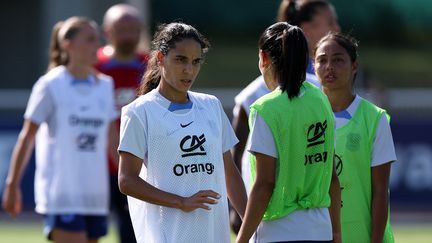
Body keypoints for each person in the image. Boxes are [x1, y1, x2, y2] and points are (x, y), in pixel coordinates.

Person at [117, 22, 247, 243]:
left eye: (196, 62)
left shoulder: (211, 106)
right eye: (180, 60)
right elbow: (127, 180)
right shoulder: (139, 112)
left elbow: (229, 172)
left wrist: (251, 224)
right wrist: (181, 202)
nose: (189, 70)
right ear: (160, 58)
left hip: (214, 235)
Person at [1, 16, 118, 243]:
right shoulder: (50, 85)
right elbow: (27, 137)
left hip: (95, 195)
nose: (98, 45)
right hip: (63, 194)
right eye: (90, 39)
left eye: (98, 39)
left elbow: (113, 142)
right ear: (68, 45)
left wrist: (133, 181)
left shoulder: (105, 85)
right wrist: (12, 184)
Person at [231, 0, 340, 232]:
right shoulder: (321, 97)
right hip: (318, 226)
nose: (337, 29)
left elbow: (265, 183)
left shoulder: (266, 107)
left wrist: (243, 236)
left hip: (274, 226)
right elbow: (331, 175)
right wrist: (336, 232)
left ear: (263, 58)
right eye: (330, 22)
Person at [313, 32, 396, 243]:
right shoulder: (304, 116)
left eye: (338, 60)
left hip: (361, 235)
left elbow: (380, 191)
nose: (329, 66)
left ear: (355, 66)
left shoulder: (375, 119)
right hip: (314, 234)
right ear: (313, 66)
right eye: (322, 60)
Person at [95, 4, 149, 243]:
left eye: (132, 27)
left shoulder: (152, 66)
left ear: (140, 30)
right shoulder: (92, 67)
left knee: (134, 232)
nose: (127, 33)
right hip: (96, 167)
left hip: (136, 167)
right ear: (107, 31)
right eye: (121, 27)